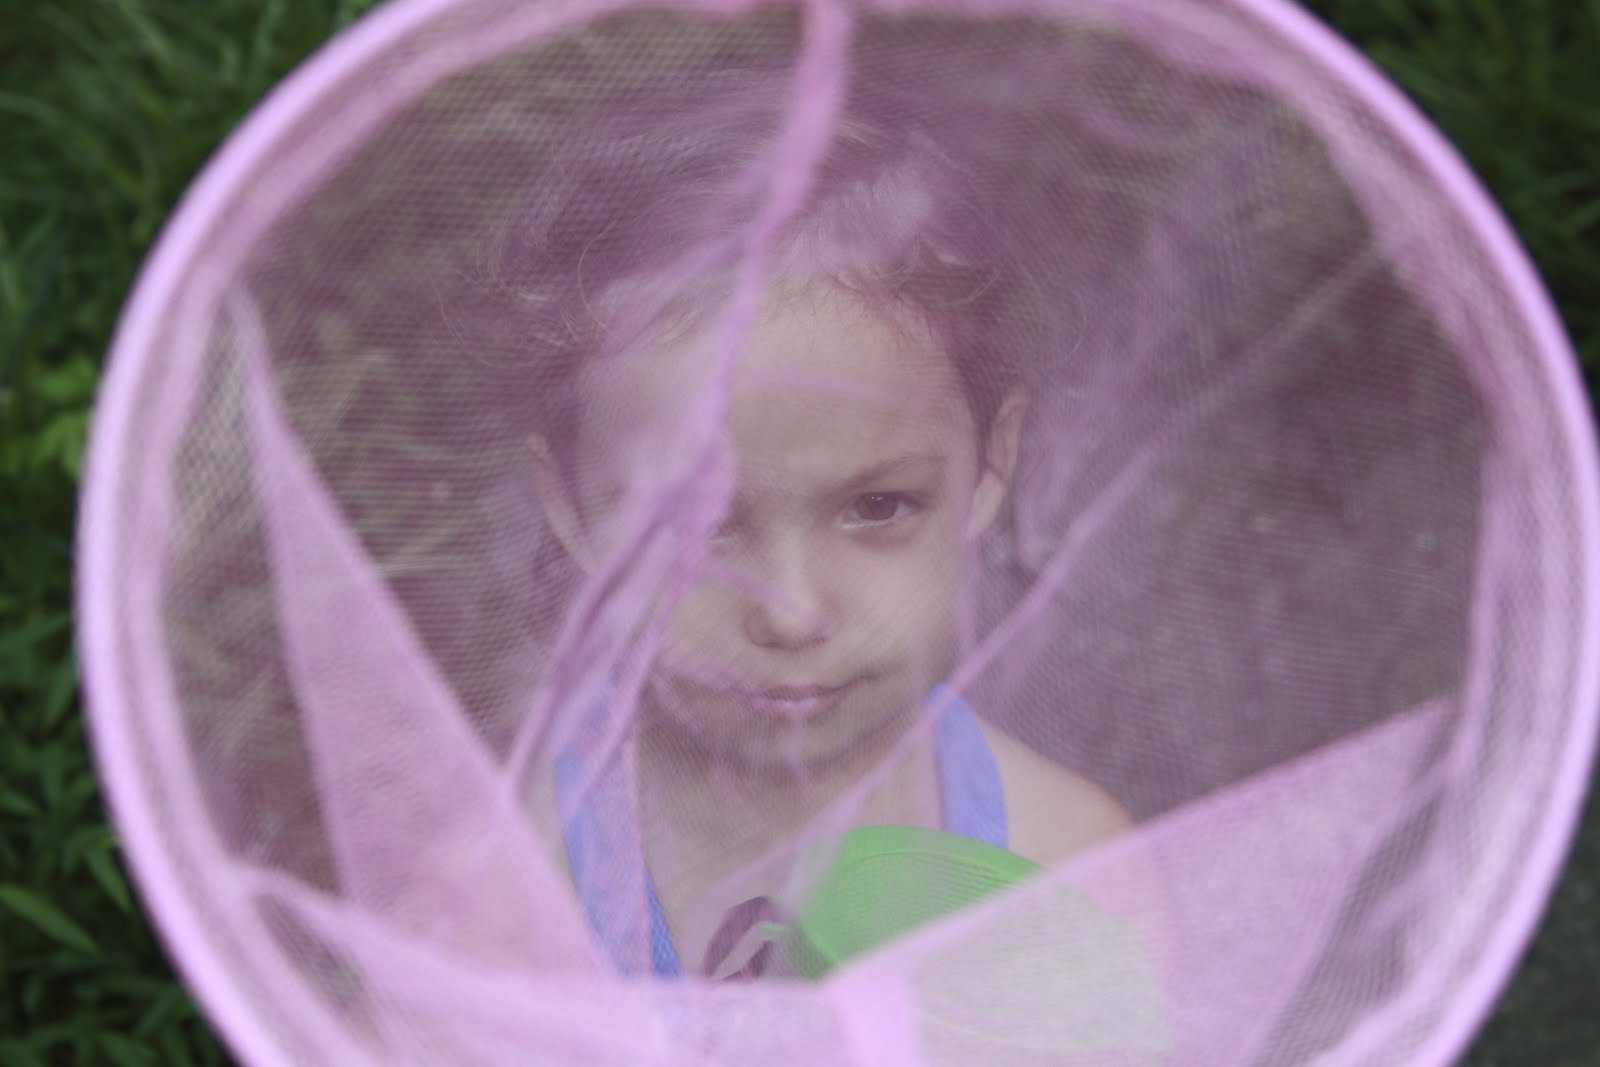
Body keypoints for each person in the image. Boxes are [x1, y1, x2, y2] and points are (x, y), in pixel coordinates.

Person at [511, 85, 1132, 978]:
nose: (791, 612)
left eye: (878, 506)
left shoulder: (1066, 865)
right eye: (690, 525)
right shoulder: (507, 889)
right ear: (570, 507)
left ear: (991, 463)